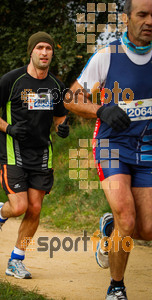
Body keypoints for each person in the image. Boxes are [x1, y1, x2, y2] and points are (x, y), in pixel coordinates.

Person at [64, 0, 152, 299]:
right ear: (126, 18)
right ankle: (116, 287)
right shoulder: (107, 55)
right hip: (112, 146)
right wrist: (101, 110)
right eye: (142, 14)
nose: (149, 21)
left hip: (147, 149)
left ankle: (110, 226)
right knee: (128, 219)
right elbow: (70, 98)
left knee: (147, 229)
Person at [0, 31, 69, 279]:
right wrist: (8, 128)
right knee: (19, 206)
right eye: (40, 48)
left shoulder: (55, 86)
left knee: (35, 208)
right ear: (31, 51)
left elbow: (61, 116)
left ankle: (15, 261)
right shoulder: (12, 80)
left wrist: (62, 127)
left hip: (42, 155)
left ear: (52, 52)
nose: (44, 52)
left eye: (48, 48)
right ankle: (0, 214)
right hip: (14, 152)